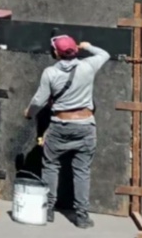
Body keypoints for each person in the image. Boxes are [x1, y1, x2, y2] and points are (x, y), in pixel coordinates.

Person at [24, 35, 111, 229]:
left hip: (60, 125)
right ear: (75, 50)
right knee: (82, 171)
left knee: (51, 166)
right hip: (86, 125)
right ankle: (81, 217)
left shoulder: (50, 73)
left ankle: (47, 211)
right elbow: (105, 54)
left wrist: (29, 113)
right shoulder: (88, 66)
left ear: (55, 53)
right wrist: (89, 46)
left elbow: (39, 101)